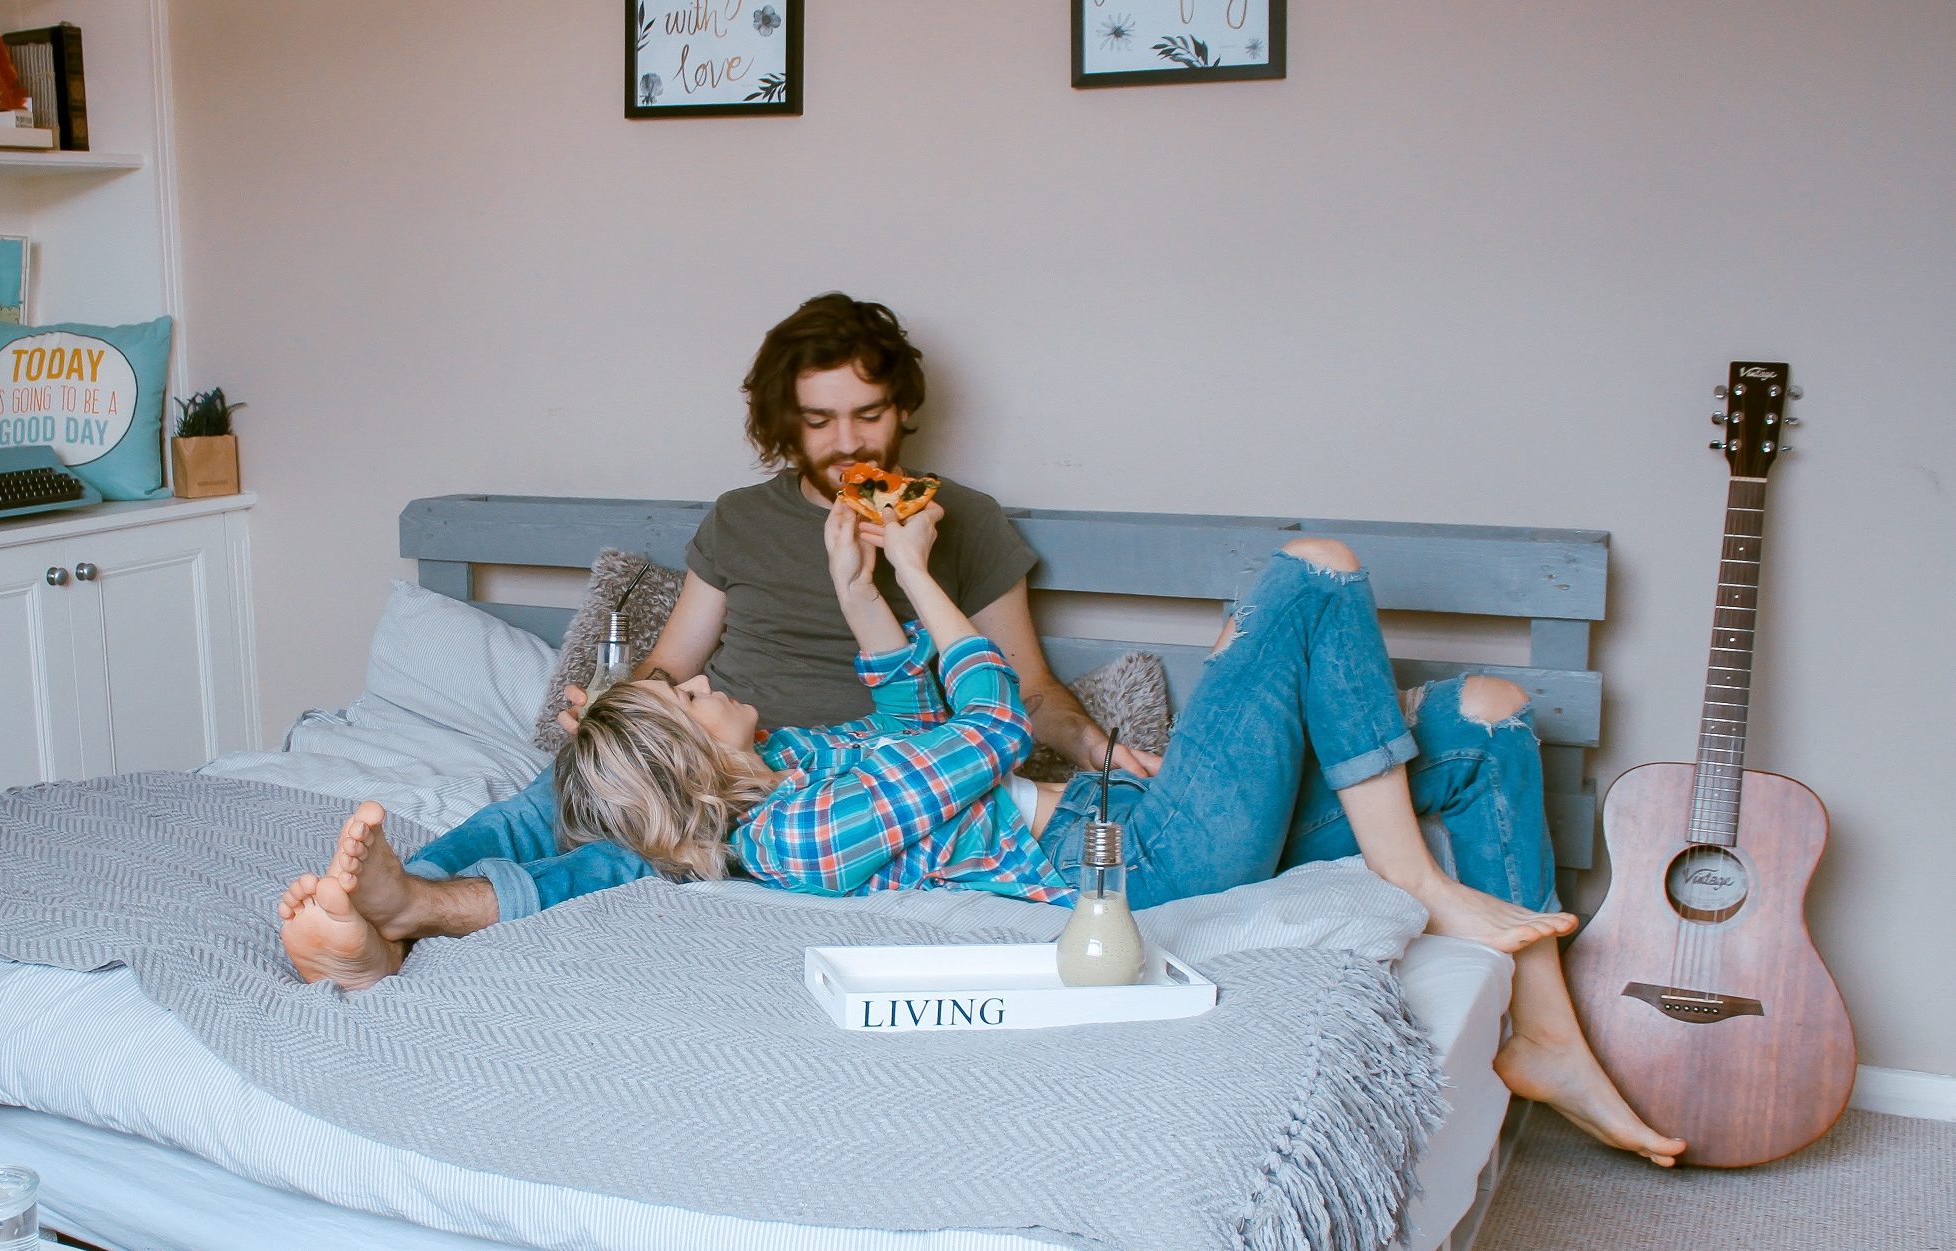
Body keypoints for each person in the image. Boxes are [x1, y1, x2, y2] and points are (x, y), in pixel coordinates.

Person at [280, 500, 1688, 1168]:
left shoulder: (805, 759)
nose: (706, 679)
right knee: (1314, 571)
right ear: (693, 761)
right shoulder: (802, 833)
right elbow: (990, 721)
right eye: (692, 695)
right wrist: (918, 575)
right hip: (1146, 858)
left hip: (1142, 817)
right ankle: (1412, 875)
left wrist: (872, 590)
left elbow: (914, 708)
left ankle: (1539, 1026)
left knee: (1490, 714)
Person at [305, 293, 1123, 938]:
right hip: (711, 752)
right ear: (784, 426)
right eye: (819, 421)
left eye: (869, 414)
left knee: (631, 862)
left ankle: (424, 912)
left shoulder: (959, 519)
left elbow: (1026, 691)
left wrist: (1098, 747)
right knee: (541, 802)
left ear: (902, 407)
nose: (848, 442)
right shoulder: (740, 519)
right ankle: (393, 895)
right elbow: (671, 665)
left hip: (845, 781)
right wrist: (622, 709)